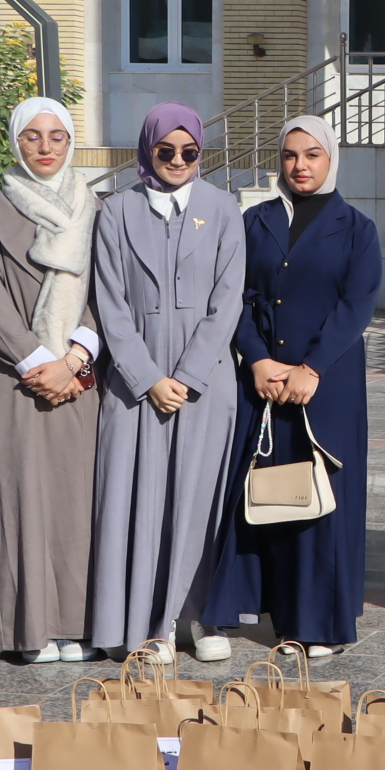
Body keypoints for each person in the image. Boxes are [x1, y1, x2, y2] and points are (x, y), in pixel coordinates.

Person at [202, 115, 383, 658]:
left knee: (322, 498)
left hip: (327, 383)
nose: (300, 165)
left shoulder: (357, 228)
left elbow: (357, 305)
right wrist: (257, 359)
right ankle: (278, 615)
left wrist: (312, 367)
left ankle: (320, 624)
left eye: (312, 155)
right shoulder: (253, 221)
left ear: (330, 159)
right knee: (271, 492)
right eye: (289, 155)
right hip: (264, 381)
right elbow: (233, 296)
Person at [88, 103, 245, 659]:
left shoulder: (223, 209)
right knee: (138, 502)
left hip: (205, 385)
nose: (178, 160)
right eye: (166, 150)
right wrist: (149, 377)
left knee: (199, 500)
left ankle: (200, 618)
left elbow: (228, 300)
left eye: (190, 151)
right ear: (147, 149)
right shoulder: (116, 211)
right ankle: (143, 625)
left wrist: (188, 374)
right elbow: (110, 302)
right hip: (136, 387)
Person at [0, 97, 105, 663]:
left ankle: (79, 625)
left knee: (77, 502)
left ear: (70, 143)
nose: (45, 147)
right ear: (15, 141)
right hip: (15, 378)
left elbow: (111, 293)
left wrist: (73, 359)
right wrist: (35, 360)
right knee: (18, 498)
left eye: (57, 136)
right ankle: (28, 631)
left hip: (79, 379)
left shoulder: (98, 210)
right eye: (32, 136)